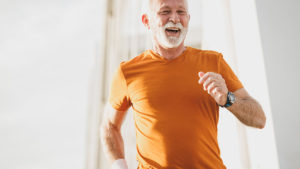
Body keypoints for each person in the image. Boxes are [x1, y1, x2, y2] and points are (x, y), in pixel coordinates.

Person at [100, 0, 266, 168]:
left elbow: (259, 119)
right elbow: (109, 127)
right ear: (146, 21)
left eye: (181, 12)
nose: (174, 18)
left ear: (188, 18)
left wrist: (228, 99)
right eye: (165, 12)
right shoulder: (127, 72)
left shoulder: (213, 62)